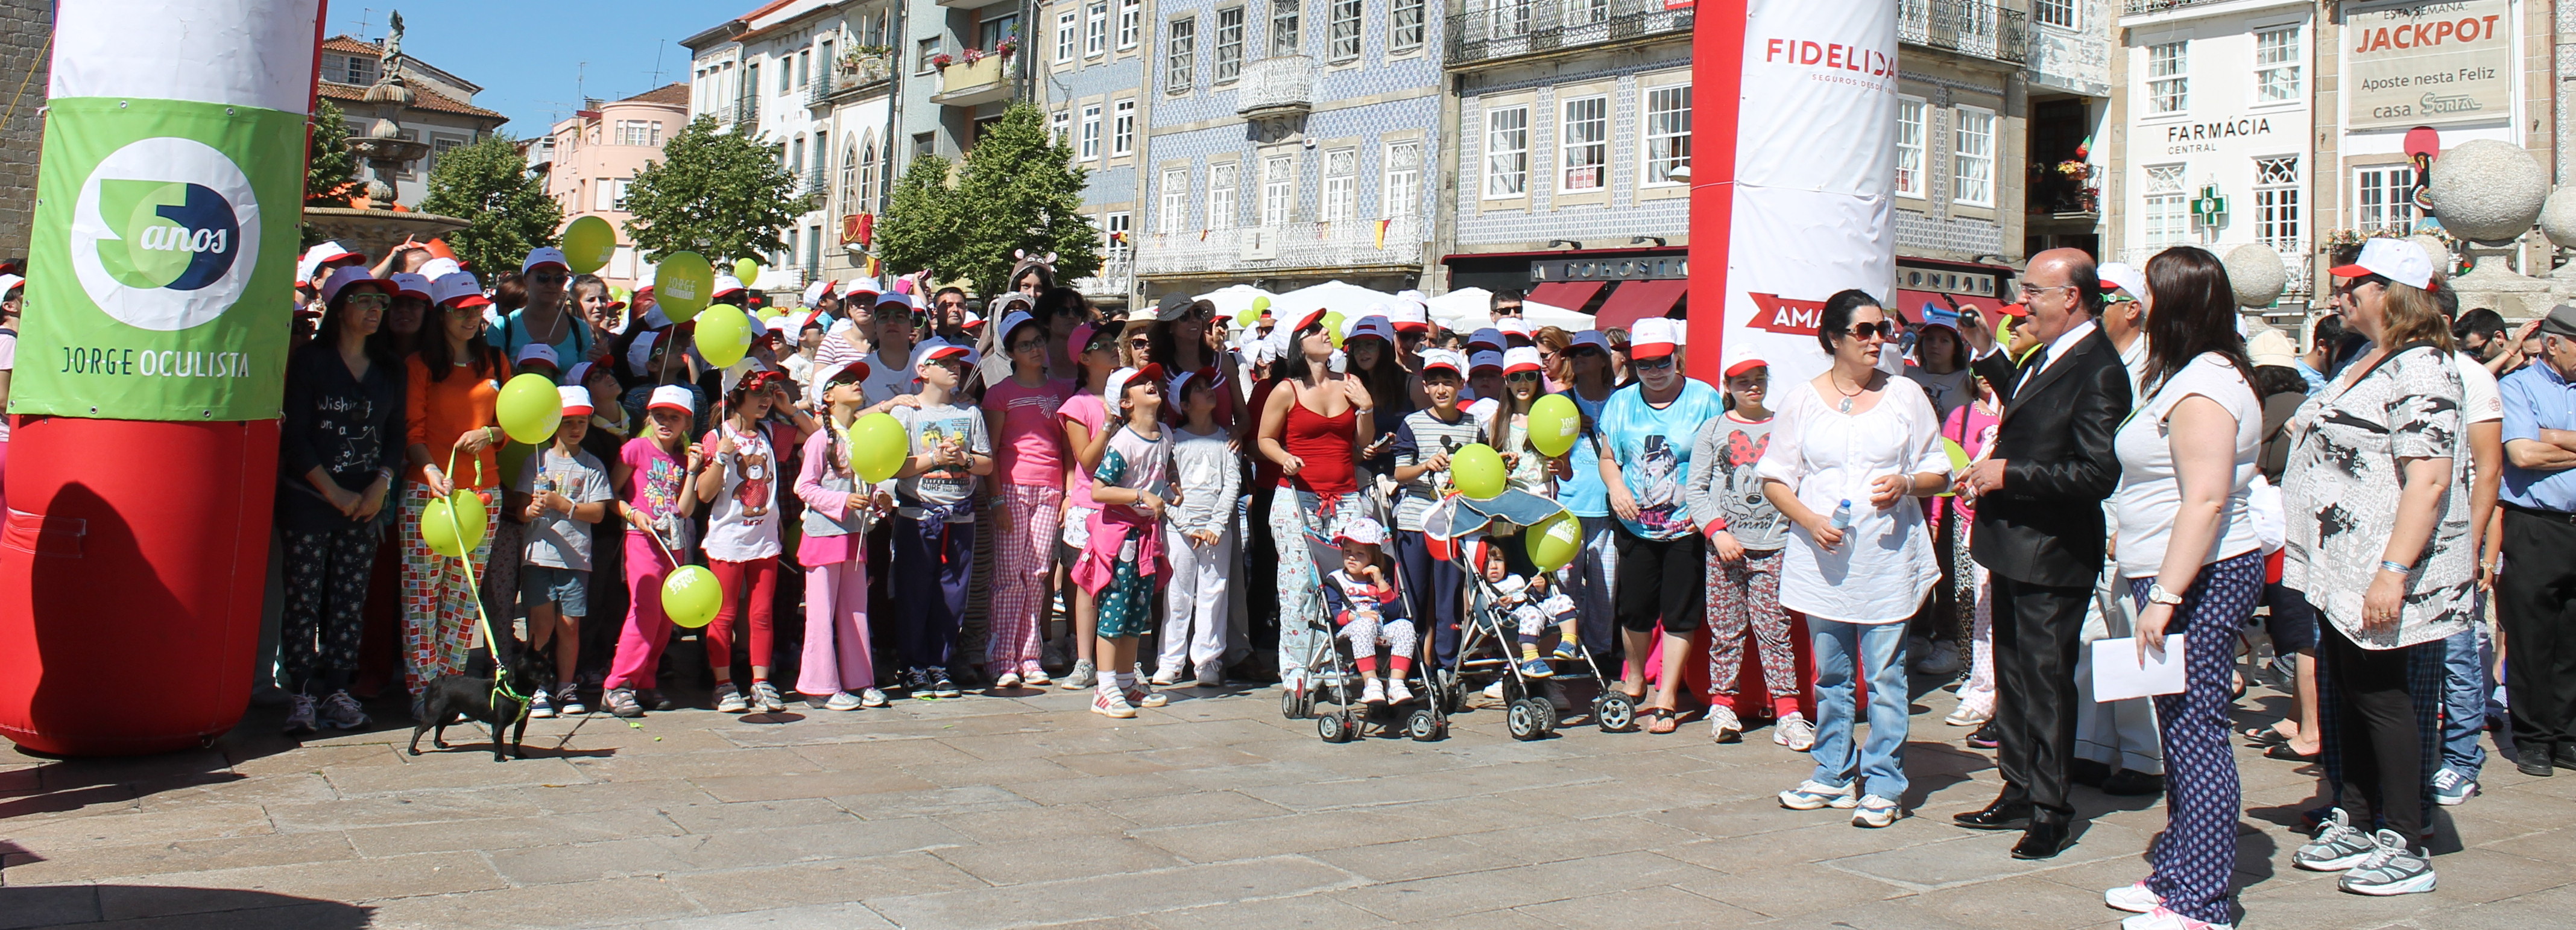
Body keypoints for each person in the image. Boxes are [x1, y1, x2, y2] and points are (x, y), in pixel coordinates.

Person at [2282, 237, 2466, 896]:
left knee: (2384, 699)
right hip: (2337, 566)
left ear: (2388, 293)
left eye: (2353, 286)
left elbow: (2430, 480)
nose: (2342, 296)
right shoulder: (2367, 359)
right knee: (2349, 693)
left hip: (2377, 565)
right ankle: (2357, 818)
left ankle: (2407, 840)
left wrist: (2393, 569)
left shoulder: (2423, 367)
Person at [2100, 247, 2268, 929]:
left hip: (2198, 573)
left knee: (2196, 732)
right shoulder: (2187, 374)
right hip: (2172, 568)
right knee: (2182, 728)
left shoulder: (2205, 384)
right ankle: (2178, 873)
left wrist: (2166, 596)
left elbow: (2205, 500)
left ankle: (2201, 901)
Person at [1949, 247, 2133, 861]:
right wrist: (1986, 349)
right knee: (2017, 679)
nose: (2022, 302)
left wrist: (2008, 474)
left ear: (2071, 297)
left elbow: (2094, 472)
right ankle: (2021, 787)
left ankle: (2053, 808)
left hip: (2052, 551)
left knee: (2048, 682)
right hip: (2014, 543)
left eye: (2033, 291)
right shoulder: (2049, 352)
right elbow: (2028, 399)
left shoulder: (2099, 368)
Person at [1761, 291, 1949, 828]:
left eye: (1882, 329)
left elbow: (1941, 471)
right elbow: (1775, 476)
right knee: (1832, 674)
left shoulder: (1906, 395)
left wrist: (1908, 482)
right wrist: (1809, 519)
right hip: (1824, 560)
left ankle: (1885, 782)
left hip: (1887, 559)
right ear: (1834, 339)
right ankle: (1833, 773)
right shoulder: (1802, 399)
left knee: (1887, 676)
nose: (1876, 340)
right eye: (1864, 331)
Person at [276, 267, 405, 735]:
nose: (375, 310)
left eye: (381, 303)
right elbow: (296, 436)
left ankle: (337, 689)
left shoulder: (390, 367)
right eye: (365, 301)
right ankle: (302, 692)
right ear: (338, 308)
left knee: (351, 599)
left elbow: (395, 434)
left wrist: (379, 486)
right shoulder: (311, 362)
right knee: (304, 599)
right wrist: (332, 491)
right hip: (309, 499)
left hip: (366, 501)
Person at [1598, 317, 1727, 735]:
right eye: (1644, 364)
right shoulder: (1621, 403)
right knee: (1634, 607)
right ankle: (1635, 676)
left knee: (1680, 612)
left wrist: (1706, 508)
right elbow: (1608, 457)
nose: (1653, 372)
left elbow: (1722, 461)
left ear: (1678, 358)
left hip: (1685, 526)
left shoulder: (1704, 399)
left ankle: (1667, 695)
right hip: (1636, 524)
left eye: (1662, 362)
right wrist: (1616, 486)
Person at [402, 271, 515, 720]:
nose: (473, 318)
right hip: (428, 494)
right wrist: (429, 468)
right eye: (462, 311)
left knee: (463, 598)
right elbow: (412, 429)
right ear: (443, 314)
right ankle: (424, 690)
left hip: (483, 493)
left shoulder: (496, 361)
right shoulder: (421, 365)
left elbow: (514, 424)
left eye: (477, 311)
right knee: (421, 597)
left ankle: (451, 690)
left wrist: (491, 432)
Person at [1260, 307, 1379, 695]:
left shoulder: (1348, 382)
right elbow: (1265, 440)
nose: (1324, 332)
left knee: (1349, 584)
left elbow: (1363, 443)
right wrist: (1284, 458)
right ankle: (1298, 670)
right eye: (1313, 329)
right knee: (1297, 586)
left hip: (1345, 496)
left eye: (1323, 327)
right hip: (1298, 497)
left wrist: (1366, 408)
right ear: (1298, 344)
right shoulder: (1285, 389)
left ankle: (1338, 664)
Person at [1690, 353, 1806, 746]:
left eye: (1759, 378)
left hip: (1774, 545)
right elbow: (1696, 489)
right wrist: (1717, 532)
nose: (1752, 387)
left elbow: (1800, 479)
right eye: (1743, 381)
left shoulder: (1784, 425)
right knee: (1726, 631)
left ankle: (1788, 712)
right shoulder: (1713, 429)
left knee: (1775, 630)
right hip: (1725, 549)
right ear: (1728, 386)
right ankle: (1722, 704)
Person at [695, 371, 816, 713]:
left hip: (764, 540)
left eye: (769, 392)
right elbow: (704, 494)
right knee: (724, 614)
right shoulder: (716, 436)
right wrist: (720, 456)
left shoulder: (770, 432)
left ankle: (761, 682)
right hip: (728, 540)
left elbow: (815, 436)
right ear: (736, 396)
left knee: (761, 614)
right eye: (757, 392)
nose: (765, 398)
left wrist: (788, 408)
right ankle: (723, 683)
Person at [889, 338, 993, 699]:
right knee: (915, 593)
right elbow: (898, 466)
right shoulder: (908, 413)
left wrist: (963, 459)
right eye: (944, 362)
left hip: (960, 516)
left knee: (953, 595)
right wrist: (936, 458)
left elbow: (986, 463)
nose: (955, 367)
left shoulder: (971, 413)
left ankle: (940, 664)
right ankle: (913, 666)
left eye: (958, 362)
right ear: (923, 370)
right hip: (919, 515)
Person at [975, 311, 1075, 689]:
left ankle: (1030, 655)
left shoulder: (1060, 391)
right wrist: (996, 500)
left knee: (1037, 576)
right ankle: (1000, 657)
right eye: (1024, 345)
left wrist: (1066, 492)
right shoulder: (1000, 394)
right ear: (1011, 353)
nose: (1034, 349)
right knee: (1007, 576)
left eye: (1037, 341)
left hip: (1050, 491)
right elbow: (994, 449)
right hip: (1012, 490)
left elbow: (1067, 447)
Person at [2496, 304, 2576, 777]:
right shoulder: (2518, 386)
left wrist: (2556, 438)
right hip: (2535, 526)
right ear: (2554, 344)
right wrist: (2545, 441)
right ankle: (2533, 738)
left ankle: (2567, 735)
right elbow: (2523, 453)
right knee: (2530, 637)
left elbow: (2539, 445)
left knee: (2572, 639)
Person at [509, 385, 614, 718]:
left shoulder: (592, 465)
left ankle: (566, 686)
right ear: (555, 422)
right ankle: (538, 687)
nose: (575, 428)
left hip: (575, 559)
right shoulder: (536, 460)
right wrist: (531, 513)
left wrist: (563, 505)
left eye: (582, 421)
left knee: (569, 626)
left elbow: (598, 512)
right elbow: (520, 508)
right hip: (539, 555)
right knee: (540, 625)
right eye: (569, 421)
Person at [1077, 364, 1175, 718]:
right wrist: (1140, 496)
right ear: (1125, 403)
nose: (1151, 384)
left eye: (1150, 380)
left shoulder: (1165, 434)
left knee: (1137, 612)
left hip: (1146, 538)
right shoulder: (1122, 442)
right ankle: (1104, 689)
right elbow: (1100, 489)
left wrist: (1171, 489)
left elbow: (1166, 471)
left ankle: (1125, 680)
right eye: (1138, 384)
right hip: (1120, 539)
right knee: (1114, 611)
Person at [797, 359, 893, 710]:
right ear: (828, 395)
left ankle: (859, 680)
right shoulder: (821, 439)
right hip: (824, 536)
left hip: (856, 536)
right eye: (846, 380)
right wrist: (842, 500)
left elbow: (867, 482)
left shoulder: (860, 436)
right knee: (821, 613)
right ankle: (819, 685)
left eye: (856, 380)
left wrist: (879, 500)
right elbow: (803, 487)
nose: (856, 385)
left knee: (856, 610)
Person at [603, 386, 704, 718]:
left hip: (673, 543)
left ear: (687, 423)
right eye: (660, 415)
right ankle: (617, 685)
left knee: (664, 617)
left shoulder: (682, 459)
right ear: (649, 417)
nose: (666, 422)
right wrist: (632, 513)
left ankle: (645, 680)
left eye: (674, 417)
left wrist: (692, 469)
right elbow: (611, 494)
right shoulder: (635, 449)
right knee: (644, 609)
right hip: (641, 538)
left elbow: (686, 509)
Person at [1392, 349, 1484, 668]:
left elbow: (1482, 469)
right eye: (1434, 383)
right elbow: (1400, 474)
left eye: (1448, 381)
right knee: (1414, 598)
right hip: (1416, 521)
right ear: (1425, 387)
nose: (1441, 389)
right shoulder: (1412, 423)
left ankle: (1447, 665)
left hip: (1453, 523)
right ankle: (1410, 666)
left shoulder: (1473, 425)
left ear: (1461, 384)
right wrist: (1424, 466)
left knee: (1449, 600)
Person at [1156, 367, 1239, 688]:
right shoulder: (1174, 442)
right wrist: (1188, 525)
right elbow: (1167, 485)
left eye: (1209, 386)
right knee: (1178, 594)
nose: (1208, 391)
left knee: (1214, 593)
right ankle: (1171, 660)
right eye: (1198, 389)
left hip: (1217, 530)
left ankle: (1207, 659)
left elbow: (1232, 483)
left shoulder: (1226, 440)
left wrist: (1217, 524)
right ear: (1185, 405)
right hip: (1181, 530)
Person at [1055, 324, 1123, 689]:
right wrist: (1110, 424)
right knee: (1088, 587)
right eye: (1104, 345)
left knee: (1122, 585)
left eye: (1115, 343)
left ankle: (1121, 659)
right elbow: (1087, 460)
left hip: (1124, 506)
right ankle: (1084, 660)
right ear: (1084, 358)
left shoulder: (1129, 396)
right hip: (1090, 505)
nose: (1114, 349)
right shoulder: (1078, 405)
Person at [1555, 331, 1623, 660]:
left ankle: (1599, 653)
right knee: (1564, 584)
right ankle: (1565, 648)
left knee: (1603, 590)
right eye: (1574, 354)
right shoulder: (1561, 401)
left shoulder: (1622, 399)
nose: (1578, 358)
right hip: (1568, 504)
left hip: (1609, 509)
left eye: (1587, 352)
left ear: (1603, 359)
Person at [1323, 517, 1413, 706]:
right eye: (1347, 551)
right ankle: (1371, 683)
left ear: (1373, 558)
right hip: (1349, 629)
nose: (1352, 557)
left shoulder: (1378, 581)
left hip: (1380, 629)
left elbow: (1395, 614)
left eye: (1360, 554)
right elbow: (1332, 615)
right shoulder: (1336, 580)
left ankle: (1396, 683)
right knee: (1364, 624)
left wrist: (1381, 584)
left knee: (1405, 626)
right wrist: (1357, 616)